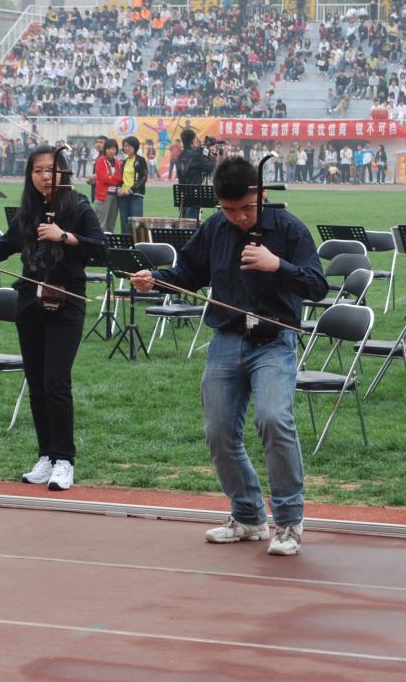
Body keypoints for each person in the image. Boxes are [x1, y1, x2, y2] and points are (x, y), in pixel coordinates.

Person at [128, 156, 328, 556]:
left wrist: (277, 265)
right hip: (227, 339)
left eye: (246, 208)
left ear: (262, 195)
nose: (238, 217)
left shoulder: (289, 229)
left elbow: (317, 286)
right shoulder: (215, 227)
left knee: (273, 419)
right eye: (229, 209)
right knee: (218, 432)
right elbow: (188, 274)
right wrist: (156, 280)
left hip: (274, 340)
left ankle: (289, 522)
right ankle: (249, 515)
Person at [0, 146, 105, 491]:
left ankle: (65, 460)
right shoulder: (29, 211)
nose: (44, 176)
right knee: (36, 383)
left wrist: (63, 236)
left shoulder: (79, 207)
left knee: (56, 381)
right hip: (29, 302)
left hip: (67, 301)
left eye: (50, 169)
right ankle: (46, 456)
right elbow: (4, 247)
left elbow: (100, 249)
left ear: (63, 172)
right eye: (37, 171)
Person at [175, 128, 215, 220]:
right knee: (191, 223)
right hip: (193, 194)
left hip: (182, 195)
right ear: (193, 140)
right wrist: (212, 157)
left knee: (184, 222)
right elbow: (209, 168)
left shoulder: (180, 156)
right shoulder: (196, 155)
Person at [116, 136, 148, 237]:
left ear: (135, 147)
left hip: (135, 196)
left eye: (129, 146)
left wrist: (131, 190)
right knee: (124, 224)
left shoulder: (141, 160)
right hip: (123, 196)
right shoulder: (124, 161)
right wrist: (119, 188)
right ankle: (125, 244)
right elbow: (120, 178)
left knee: (136, 224)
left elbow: (143, 178)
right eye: (125, 146)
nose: (126, 148)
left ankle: (138, 244)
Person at [93, 138, 122, 232]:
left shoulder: (118, 162)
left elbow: (121, 178)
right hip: (103, 196)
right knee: (101, 224)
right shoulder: (100, 161)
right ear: (105, 149)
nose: (111, 151)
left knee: (111, 224)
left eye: (113, 149)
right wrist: (116, 179)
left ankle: (110, 241)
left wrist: (112, 178)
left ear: (116, 150)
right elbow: (104, 178)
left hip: (115, 196)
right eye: (108, 148)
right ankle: (100, 241)